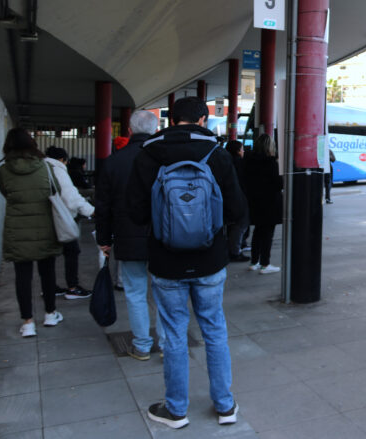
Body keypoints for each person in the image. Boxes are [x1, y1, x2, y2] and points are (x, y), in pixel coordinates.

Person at [127, 97, 246, 429]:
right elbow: (237, 210)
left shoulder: (148, 154)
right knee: (214, 330)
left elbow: (136, 213)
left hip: (166, 262)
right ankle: (225, 406)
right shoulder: (217, 154)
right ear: (203, 120)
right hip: (210, 261)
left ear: (171, 120)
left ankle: (176, 409)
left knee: (174, 334)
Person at [95, 111, 166, 361]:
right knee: (164, 293)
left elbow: (102, 206)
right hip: (162, 238)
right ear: (156, 130)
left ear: (129, 130)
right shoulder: (164, 158)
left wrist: (104, 239)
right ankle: (167, 344)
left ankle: (142, 346)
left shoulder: (113, 162)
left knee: (135, 293)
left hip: (127, 236)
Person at [0, 128, 64, 337]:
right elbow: (56, 191)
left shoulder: (4, 170)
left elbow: (5, 193)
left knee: (22, 276)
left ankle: (27, 323)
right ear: (31, 144)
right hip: (45, 227)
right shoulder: (45, 166)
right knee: (48, 272)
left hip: (17, 230)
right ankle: (50, 314)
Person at [44, 146, 95, 300]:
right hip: (60, 217)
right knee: (72, 251)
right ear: (62, 160)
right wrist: (90, 211)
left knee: (48, 255)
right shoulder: (58, 170)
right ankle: (72, 287)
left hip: (44, 218)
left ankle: (49, 287)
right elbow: (70, 196)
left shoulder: (41, 168)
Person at [244, 133, 283, 274]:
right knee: (267, 234)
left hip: (254, 202)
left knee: (257, 232)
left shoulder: (248, 161)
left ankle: (254, 262)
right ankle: (265, 264)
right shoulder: (271, 163)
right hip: (270, 203)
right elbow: (278, 184)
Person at [225, 140, 250, 262]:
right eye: (242, 149)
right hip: (238, 197)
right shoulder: (239, 163)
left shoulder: (227, 162)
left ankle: (234, 247)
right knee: (240, 224)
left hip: (229, 197)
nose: (243, 151)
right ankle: (235, 251)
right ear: (237, 151)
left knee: (233, 225)